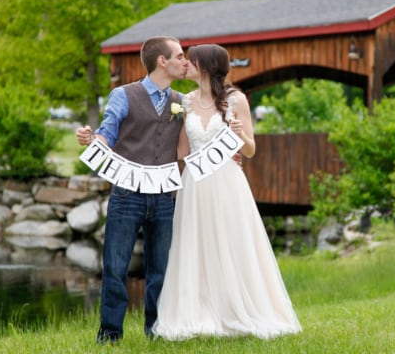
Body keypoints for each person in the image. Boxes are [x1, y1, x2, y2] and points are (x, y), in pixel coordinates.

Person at [152, 44, 301, 340]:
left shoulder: (236, 100)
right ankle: (199, 312)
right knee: (196, 245)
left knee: (231, 242)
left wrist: (238, 133)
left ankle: (237, 310)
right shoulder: (187, 101)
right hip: (195, 183)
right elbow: (182, 150)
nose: (186, 65)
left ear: (206, 65)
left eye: (191, 60)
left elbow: (250, 149)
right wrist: (170, 124)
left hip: (226, 182)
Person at [76, 36, 188, 344]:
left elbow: (186, 148)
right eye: (179, 56)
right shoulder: (123, 95)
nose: (184, 61)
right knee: (115, 267)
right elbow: (106, 134)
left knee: (161, 270)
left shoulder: (181, 100)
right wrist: (91, 138)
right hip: (127, 195)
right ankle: (110, 335)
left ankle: (157, 332)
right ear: (161, 61)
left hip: (165, 196)